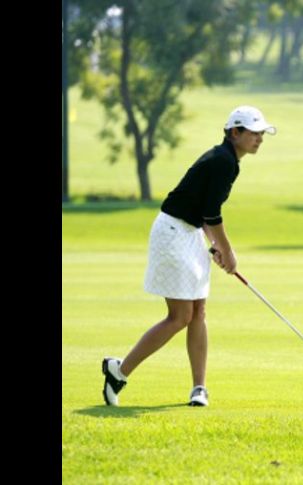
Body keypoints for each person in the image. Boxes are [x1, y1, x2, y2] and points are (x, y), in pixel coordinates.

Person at [101, 105, 277, 407]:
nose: (259, 138)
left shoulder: (227, 160)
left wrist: (215, 245)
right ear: (235, 133)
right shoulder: (223, 161)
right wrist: (228, 252)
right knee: (180, 316)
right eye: (254, 132)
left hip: (189, 231)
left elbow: (205, 214)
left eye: (262, 133)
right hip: (172, 232)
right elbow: (212, 214)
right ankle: (119, 370)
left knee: (198, 312)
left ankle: (199, 388)